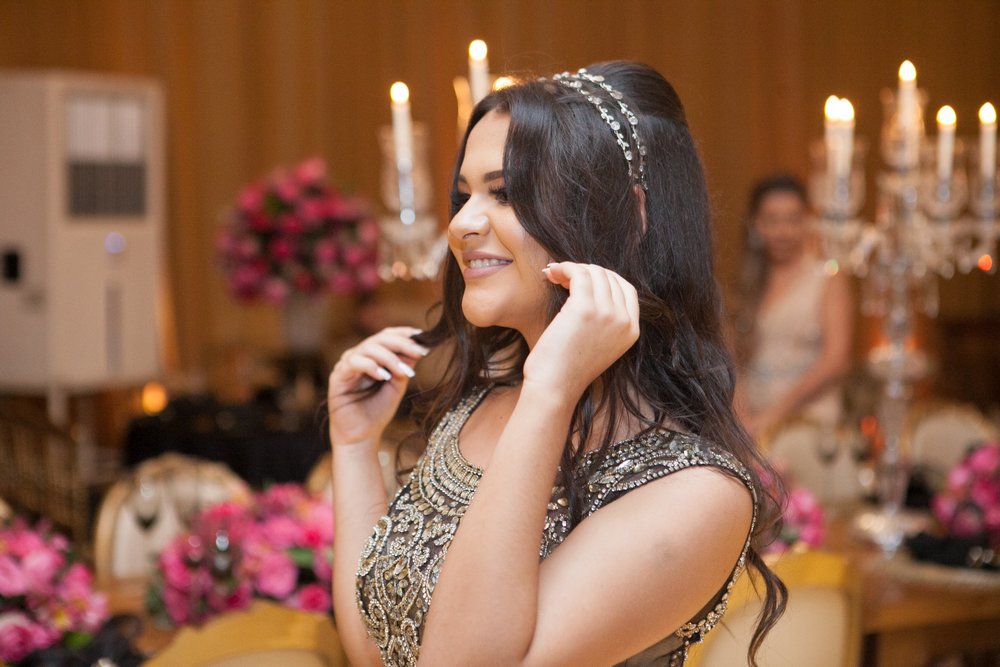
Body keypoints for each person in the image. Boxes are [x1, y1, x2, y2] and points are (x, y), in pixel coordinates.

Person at [328, 61, 785, 667]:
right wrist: (355, 448)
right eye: (465, 195)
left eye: (506, 193)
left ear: (627, 214)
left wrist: (550, 389)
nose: (461, 224)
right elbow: (377, 647)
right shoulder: (485, 404)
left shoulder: (697, 492)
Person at [732, 174, 854, 439]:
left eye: (793, 219)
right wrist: (742, 421)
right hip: (753, 425)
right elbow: (734, 359)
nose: (783, 231)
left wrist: (774, 415)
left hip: (809, 426)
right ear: (756, 224)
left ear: (807, 221)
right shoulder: (748, 283)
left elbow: (836, 360)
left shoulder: (827, 277)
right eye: (772, 220)